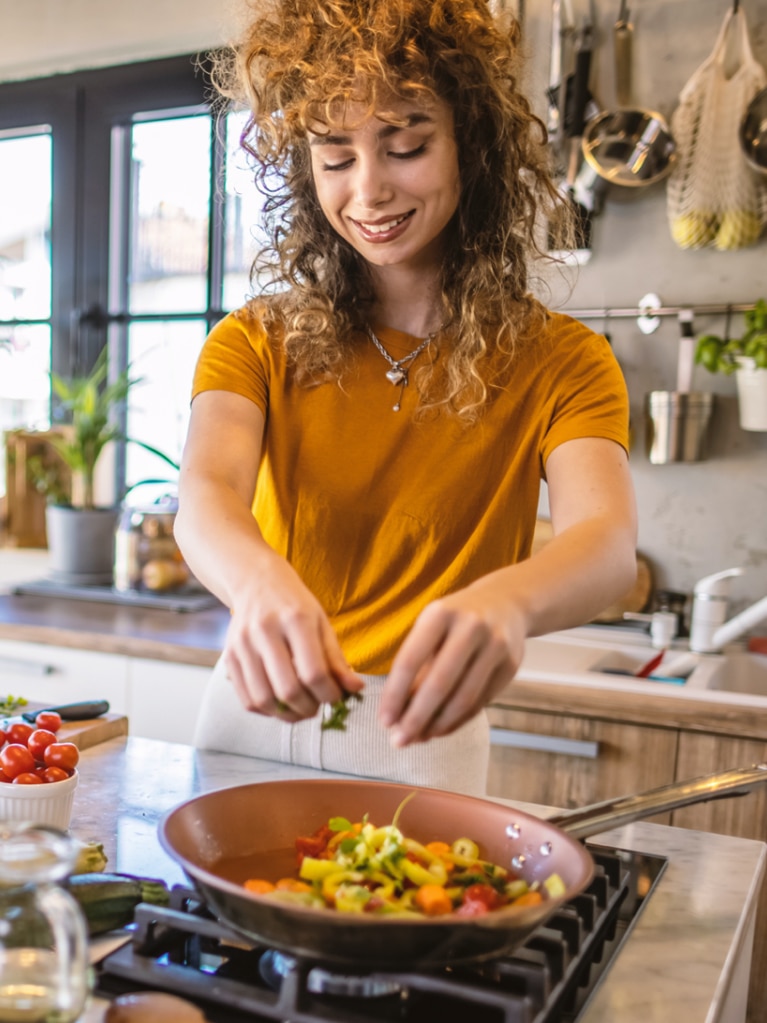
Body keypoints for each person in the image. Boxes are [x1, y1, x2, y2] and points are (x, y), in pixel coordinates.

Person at [174, 0, 638, 796]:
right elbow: (205, 495)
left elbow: (604, 545)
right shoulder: (255, 340)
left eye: (406, 145)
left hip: (424, 729)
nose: (369, 191)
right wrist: (257, 586)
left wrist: (509, 603)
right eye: (334, 157)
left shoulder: (565, 360)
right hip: (253, 705)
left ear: (473, 148)